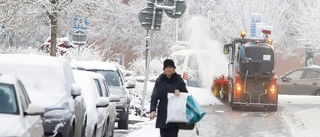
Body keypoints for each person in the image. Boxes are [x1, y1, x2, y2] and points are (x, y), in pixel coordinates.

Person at [150, 59, 188, 137]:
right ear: (164, 69)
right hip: (163, 114)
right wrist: (153, 110)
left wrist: (179, 93)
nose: (168, 69)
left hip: (174, 115)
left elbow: (186, 95)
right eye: (166, 67)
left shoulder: (179, 80)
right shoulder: (160, 81)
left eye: (170, 67)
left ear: (174, 68)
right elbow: (154, 96)